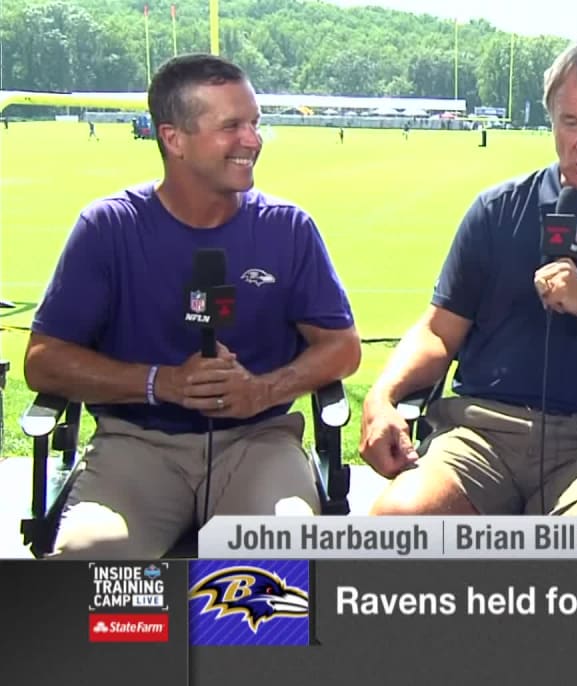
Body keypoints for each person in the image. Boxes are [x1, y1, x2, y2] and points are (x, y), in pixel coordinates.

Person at [360, 37, 577, 516]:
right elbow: (438, 331)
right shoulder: (496, 209)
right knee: (398, 520)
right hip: (480, 435)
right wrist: (382, 397)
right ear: (551, 119)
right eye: (570, 122)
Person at [25, 54, 361, 559]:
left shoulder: (288, 228)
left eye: (254, 123)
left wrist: (261, 390)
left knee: (277, 568)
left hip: (259, 441)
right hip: (135, 445)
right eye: (232, 126)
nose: (253, 140)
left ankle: (231, 640)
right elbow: (43, 360)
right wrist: (161, 383)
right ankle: (150, 638)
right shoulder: (108, 228)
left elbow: (341, 348)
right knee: (96, 565)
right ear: (173, 138)